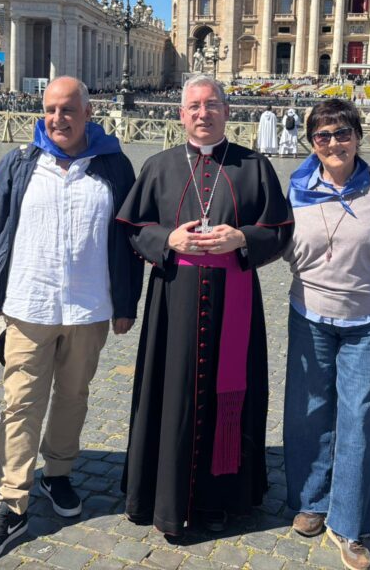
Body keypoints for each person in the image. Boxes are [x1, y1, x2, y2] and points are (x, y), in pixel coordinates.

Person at [0, 76, 142, 564]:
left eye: (68, 109)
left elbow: (129, 238)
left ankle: (58, 472)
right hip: (30, 304)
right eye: (50, 109)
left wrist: (126, 303)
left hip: (90, 305)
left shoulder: (113, 165)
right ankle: (11, 502)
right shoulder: (20, 161)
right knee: (19, 402)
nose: (58, 118)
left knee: (73, 396)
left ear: (88, 112)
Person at [117, 74, 292, 537]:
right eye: (193, 106)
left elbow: (279, 230)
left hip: (234, 301)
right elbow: (133, 226)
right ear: (181, 114)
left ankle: (223, 497)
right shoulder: (158, 165)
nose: (202, 113)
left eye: (211, 105)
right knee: (169, 394)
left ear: (226, 112)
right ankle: (162, 496)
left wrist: (242, 238)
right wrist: (166, 239)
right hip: (174, 301)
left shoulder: (254, 167)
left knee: (229, 393)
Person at [283, 99, 370, 570]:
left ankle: (350, 524)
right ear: (312, 143)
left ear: (359, 136)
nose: (334, 143)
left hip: (367, 320)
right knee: (308, 412)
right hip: (310, 313)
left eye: (343, 133)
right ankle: (312, 499)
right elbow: (278, 242)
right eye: (323, 136)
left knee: (358, 419)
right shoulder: (297, 190)